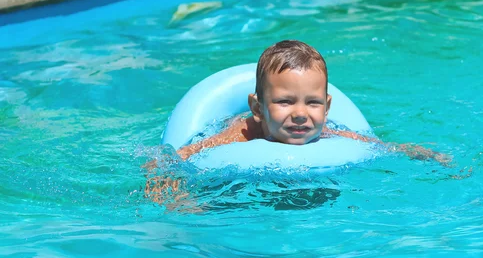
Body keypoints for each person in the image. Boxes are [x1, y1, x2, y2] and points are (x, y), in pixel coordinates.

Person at [145, 40, 450, 204]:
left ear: (327, 107)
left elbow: (377, 146)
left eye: (313, 102)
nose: (301, 113)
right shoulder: (240, 133)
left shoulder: (328, 133)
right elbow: (181, 155)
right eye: (285, 101)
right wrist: (164, 183)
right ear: (258, 108)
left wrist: (418, 153)